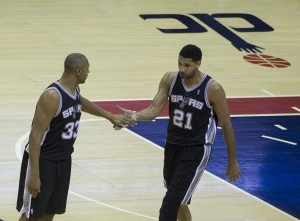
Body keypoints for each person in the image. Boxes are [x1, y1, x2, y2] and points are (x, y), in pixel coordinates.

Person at [117, 44, 241, 221]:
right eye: (179, 63)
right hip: (172, 146)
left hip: (196, 150)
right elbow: (153, 109)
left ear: (198, 64)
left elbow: (227, 125)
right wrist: (135, 115)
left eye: (187, 65)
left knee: (171, 202)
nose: (182, 69)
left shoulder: (212, 89)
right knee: (180, 203)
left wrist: (232, 161)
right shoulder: (170, 79)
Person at [16, 53, 136, 221]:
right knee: (31, 215)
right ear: (78, 71)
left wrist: (110, 116)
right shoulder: (52, 96)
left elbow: (79, 101)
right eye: (87, 68)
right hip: (43, 161)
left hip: (63, 159)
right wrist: (35, 174)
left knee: (49, 212)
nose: (89, 71)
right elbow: (35, 136)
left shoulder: (74, 90)